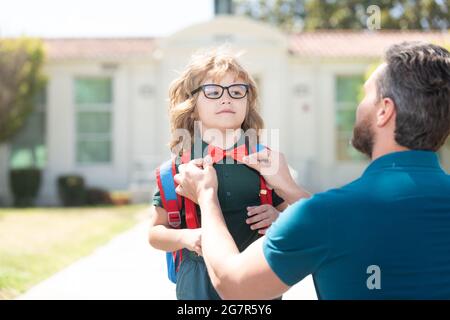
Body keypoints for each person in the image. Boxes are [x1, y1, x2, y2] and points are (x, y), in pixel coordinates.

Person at [174, 41, 450, 299]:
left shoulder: (327, 214)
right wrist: (290, 189)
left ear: (384, 111)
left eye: (366, 94)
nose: (358, 105)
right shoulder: (328, 215)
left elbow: (234, 285)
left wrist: (207, 195)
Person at [148, 49, 288, 300]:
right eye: (213, 92)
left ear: (248, 102)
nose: (226, 99)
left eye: (237, 91)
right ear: (192, 107)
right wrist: (186, 236)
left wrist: (277, 216)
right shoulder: (179, 168)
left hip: (256, 270)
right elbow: (155, 233)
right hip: (199, 276)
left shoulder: (264, 162)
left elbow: (296, 215)